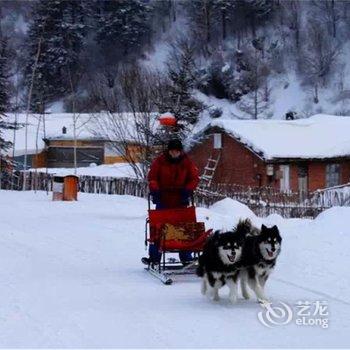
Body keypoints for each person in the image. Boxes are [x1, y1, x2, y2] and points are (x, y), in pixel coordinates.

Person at [142, 139, 199, 265]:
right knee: (158, 227)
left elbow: (194, 178)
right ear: (169, 151)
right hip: (163, 199)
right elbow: (152, 177)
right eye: (172, 151)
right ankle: (154, 258)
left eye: (177, 151)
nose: (175, 153)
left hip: (181, 200)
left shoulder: (187, 162)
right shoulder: (160, 161)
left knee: (184, 228)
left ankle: (186, 256)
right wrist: (155, 191)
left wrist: (188, 190)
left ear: (180, 151)